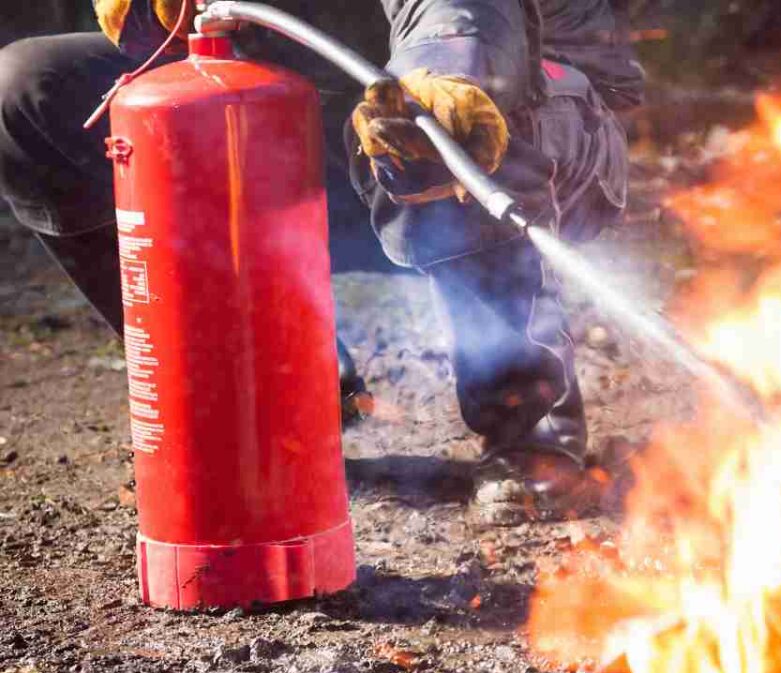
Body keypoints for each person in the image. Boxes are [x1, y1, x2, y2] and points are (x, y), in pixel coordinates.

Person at [0, 0, 643, 525]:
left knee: (428, 110)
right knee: (29, 89)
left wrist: (445, 71)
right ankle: (276, 401)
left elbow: (462, 15)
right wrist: (154, 18)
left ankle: (528, 429)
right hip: (317, 126)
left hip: (531, 116)